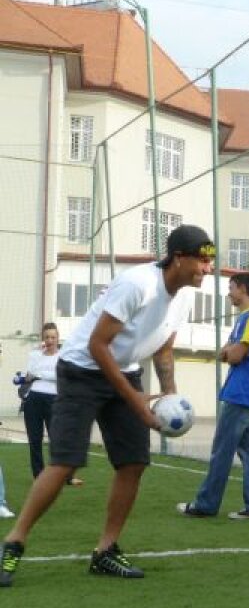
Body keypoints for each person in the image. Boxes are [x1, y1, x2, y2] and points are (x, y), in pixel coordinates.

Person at [0, 225, 213, 586]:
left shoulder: (186, 297)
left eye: (210, 262)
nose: (208, 269)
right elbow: (99, 346)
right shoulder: (137, 284)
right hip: (82, 369)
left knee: (133, 462)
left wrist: (170, 396)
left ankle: (105, 551)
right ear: (179, 258)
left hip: (123, 370)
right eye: (202, 261)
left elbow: (162, 349)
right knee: (65, 461)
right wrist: (138, 403)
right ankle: (13, 543)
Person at [176, 272, 249, 520]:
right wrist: (231, 351)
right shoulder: (245, 318)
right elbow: (224, 352)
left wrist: (232, 352)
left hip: (241, 394)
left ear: (242, 288)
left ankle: (205, 504)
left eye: (231, 288)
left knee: (222, 450)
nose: (229, 293)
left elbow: (235, 355)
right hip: (246, 394)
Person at [19, 323, 80, 486]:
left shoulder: (63, 356)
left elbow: (60, 376)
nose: (50, 340)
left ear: (58, 338)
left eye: (53, 337)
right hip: (34, 400)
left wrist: (39, 375)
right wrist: (37, 372)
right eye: (47, 337)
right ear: (42, 339)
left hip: (54, 401)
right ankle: (38, 477)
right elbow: (29, 374)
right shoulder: (35, 355)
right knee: (35, 440)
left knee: (58, 440)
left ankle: (65, 476)